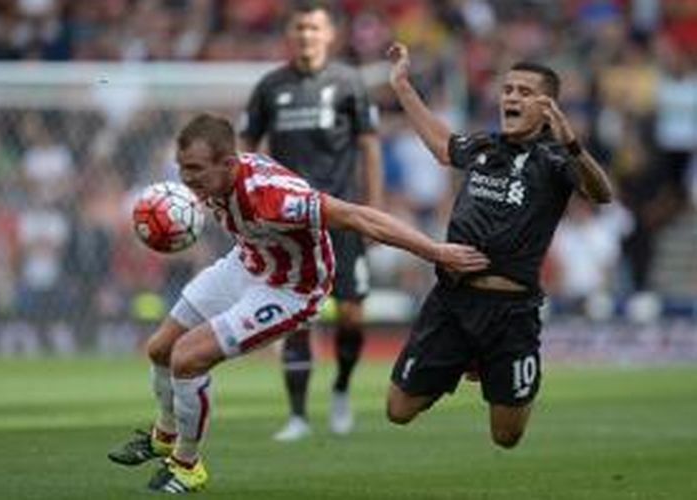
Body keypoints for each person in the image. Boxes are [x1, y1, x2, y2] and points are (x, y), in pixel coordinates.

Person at [107, 112, 489, 493]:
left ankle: (188, 466)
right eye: (182, 169)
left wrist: (435, 251)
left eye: (194, 169)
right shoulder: (210, 182)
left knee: (187, 357)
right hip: (247, 263)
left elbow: (360, 218)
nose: (186, 179)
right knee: (160, 349)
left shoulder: (275, 198)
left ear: (227, 163)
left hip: (291, 289)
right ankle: (164, 435)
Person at [385, 43, 613, 448]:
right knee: (397, 410)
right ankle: (462, 359)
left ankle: (491, 364)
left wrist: (574, 145)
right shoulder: (485, 146)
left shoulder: (555, 159)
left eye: (525, 92)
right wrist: (403, 88)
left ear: (549, 108)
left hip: (511, 314)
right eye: (508, 89)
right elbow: (442, 145)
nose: (511, 97)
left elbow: (601, 194)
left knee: (506, 436)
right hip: (452, 303)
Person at [239, 0, 383, 440]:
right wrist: (253, 201)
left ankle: (340, 387)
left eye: (315, 28)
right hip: (290, 221)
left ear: (330, 34)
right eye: (300, 27)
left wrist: (372, 208)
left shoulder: (348, 82)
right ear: (290, 33)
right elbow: (246, 145)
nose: (307, 35)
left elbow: (369, 146)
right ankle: (298, 415)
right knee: (296, 319)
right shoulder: (269, 86)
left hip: (341, 215)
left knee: (352, 316)